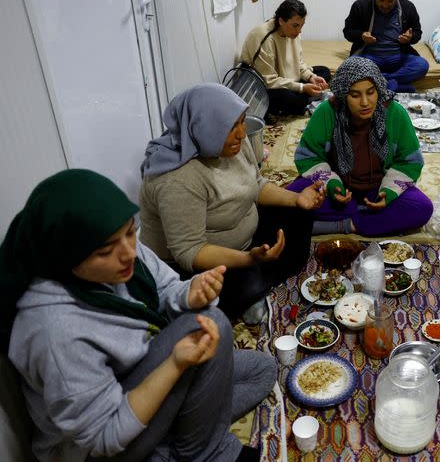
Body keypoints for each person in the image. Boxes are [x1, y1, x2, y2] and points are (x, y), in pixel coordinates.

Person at [0, 169, 274, 462]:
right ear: (65, 256)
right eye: (106, 250)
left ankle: (173, 445)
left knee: (262, 371)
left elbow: (167, 286)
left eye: (131, 232)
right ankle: (208, 453)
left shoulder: (121, 244)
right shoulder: (55, 331)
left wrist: (189, 293)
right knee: (209, 324)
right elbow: (104, 437)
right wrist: (173, 366)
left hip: (139, 370)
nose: (129, 253)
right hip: (97, 448)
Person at [139, 83, 323, 322]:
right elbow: (190, 251)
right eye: (230, 126)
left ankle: (259, 278)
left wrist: (298, 199)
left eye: (242, 121)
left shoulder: (234, 142)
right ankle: (253, 286)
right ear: (203, 128)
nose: (241, 133)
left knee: (300, 212)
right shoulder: (177, 179)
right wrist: (248, 259)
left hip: (244, 235)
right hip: (194, 268)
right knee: (241, 284)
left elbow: (255, 184)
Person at [287, 56, 433, 236]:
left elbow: (409, 161)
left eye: (371, 92)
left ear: (379, 89)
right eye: (355, 95)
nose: (365, 102)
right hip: (337, 190)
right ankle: (369, 217)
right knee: (287, 200)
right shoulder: (327, 112)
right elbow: (308, 156)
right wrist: (331, 184)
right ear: (343, 95)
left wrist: (389, 193)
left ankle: (347, 225)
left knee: (421, 208)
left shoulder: (395, 113)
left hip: (378, 189)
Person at [240, 0, 331, 115]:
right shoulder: (263, 36)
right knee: (292, 100)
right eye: (295, 26)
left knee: (324, 71)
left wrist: (310, 77)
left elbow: (299, 62)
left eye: (301, 26)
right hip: (265, 86)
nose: (299, 31)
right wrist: (302, 87)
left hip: (287, 80)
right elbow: (268, 81)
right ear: (281, 21)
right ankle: (304, 100)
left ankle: (306, 97)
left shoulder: (293, 32)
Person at [343, 0, 429, 93]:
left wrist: (409, 38)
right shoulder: (360, 5)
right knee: (348, 67)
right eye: (381, 0)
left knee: (422, 65)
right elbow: (347, 32)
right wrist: (362, 36)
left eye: (390, 1)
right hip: (369, 57)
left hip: (398, 56)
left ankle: (380, 81)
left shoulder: (408, 7)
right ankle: (395, 85)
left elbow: (417, 33)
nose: (385, 5)